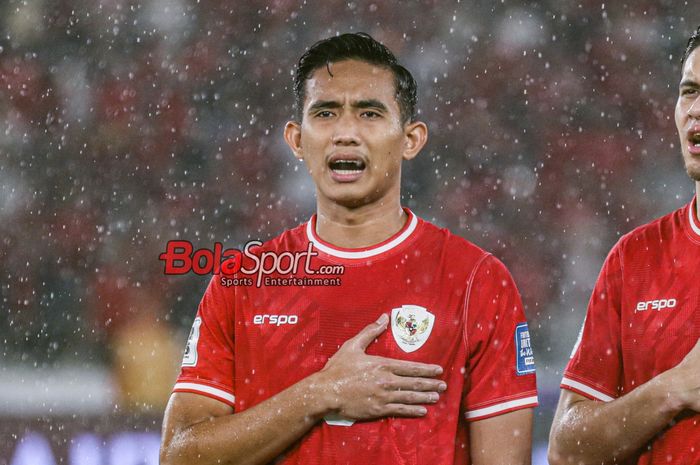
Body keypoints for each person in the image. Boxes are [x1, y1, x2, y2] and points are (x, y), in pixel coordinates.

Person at [160, 33, 537, 465]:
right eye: (326, 113)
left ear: (411, 139)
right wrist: (320, 393)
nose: (345, 132)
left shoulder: (477, 281)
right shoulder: (242, 280)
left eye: (370, 113)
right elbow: (179, 455)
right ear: (297, 140)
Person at [548, 26, 700, 465]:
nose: (696, 110)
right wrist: (673, 389)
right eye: (689, 91)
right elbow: (567, 449)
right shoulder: (636, 258)